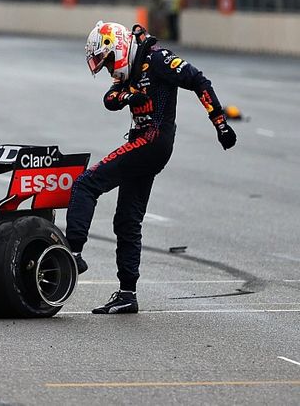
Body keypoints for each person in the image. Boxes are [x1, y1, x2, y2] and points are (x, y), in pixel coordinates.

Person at [67, 21, 236, 314]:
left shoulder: (158, 59)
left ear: (116, 47)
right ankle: (127, 294)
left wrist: (220, 123)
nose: (108, 69)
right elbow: (109, 99)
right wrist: (128, 96)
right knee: (127, 220)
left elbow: (199, 80)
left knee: (86, 183)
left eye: (107, 62)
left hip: (152, 141)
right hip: (144, 143)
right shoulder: (131, 65)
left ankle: (72, 254)